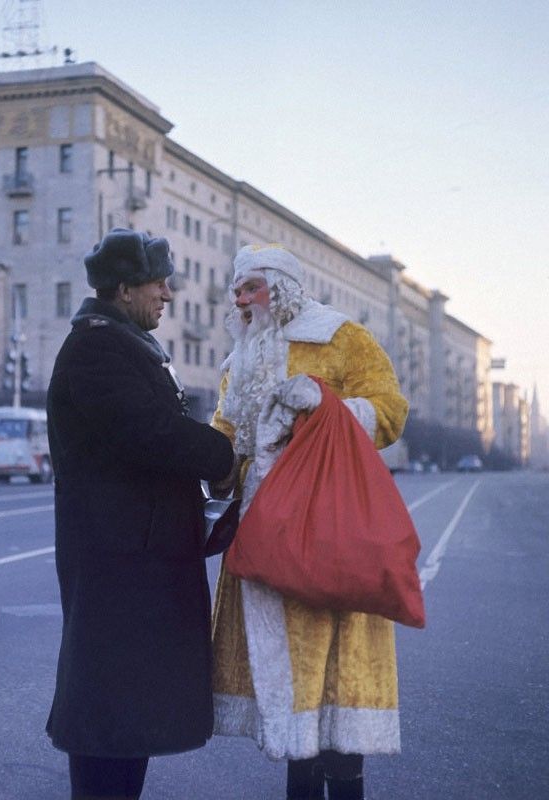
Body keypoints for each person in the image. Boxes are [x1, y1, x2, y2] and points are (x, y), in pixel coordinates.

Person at [210, 244, 409, 800]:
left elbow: (389, 407)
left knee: (336, 697)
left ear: (283, 288)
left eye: (250, 287)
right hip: (261, 539)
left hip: (329, 532)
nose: (240, 299)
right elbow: (226, 429)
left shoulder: (340, 337)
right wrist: (212, 465)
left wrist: (325, 412)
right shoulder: (239, 359)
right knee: (289, 709)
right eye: (237, 289)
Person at [45, 228, 236, 800]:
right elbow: (149, 433)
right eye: (159, 282)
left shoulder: (123, 345)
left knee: (127, 716)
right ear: (123, 288)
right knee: (109, 714)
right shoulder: (98, 349)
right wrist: (221, 453)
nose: (169, 293)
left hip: (132, 564)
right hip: (117, 569)